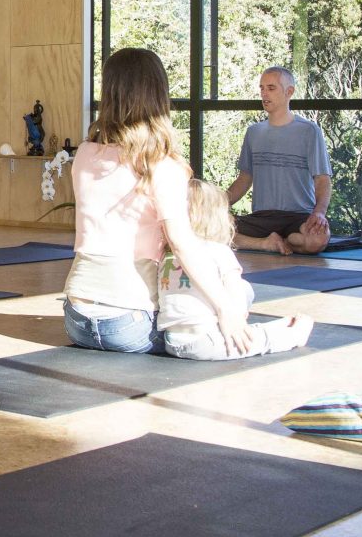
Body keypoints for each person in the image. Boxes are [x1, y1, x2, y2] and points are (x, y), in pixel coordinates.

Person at [66, 47, 309, 355]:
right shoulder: (160, 164)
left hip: (77, 320)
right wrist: (226, 310)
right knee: (212, 322)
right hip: (128, 325)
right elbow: (182, 244)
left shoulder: (85, 153)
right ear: (158, 94)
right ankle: (276, 337)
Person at [156, 178, 313, 359]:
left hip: (173, 341)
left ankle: (276, 326)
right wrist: (238, 318)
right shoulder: (219, 251)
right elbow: (237, 300)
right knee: (254, 334)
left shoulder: (167, 256)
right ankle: (293, 335)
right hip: (207, 341)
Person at [225, 66, 334, 255]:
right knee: (208, 228)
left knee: (319, 240)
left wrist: (319, 213)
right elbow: (244, 179)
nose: (264, 93)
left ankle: (285, 241)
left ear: (289, 92)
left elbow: (322, 179)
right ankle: (266, 243)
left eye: (271, 88)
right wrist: (216, 204)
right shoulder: (253, 132)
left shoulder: (309, 131)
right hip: (261, 218)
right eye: (262, 88)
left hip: (298, 217)